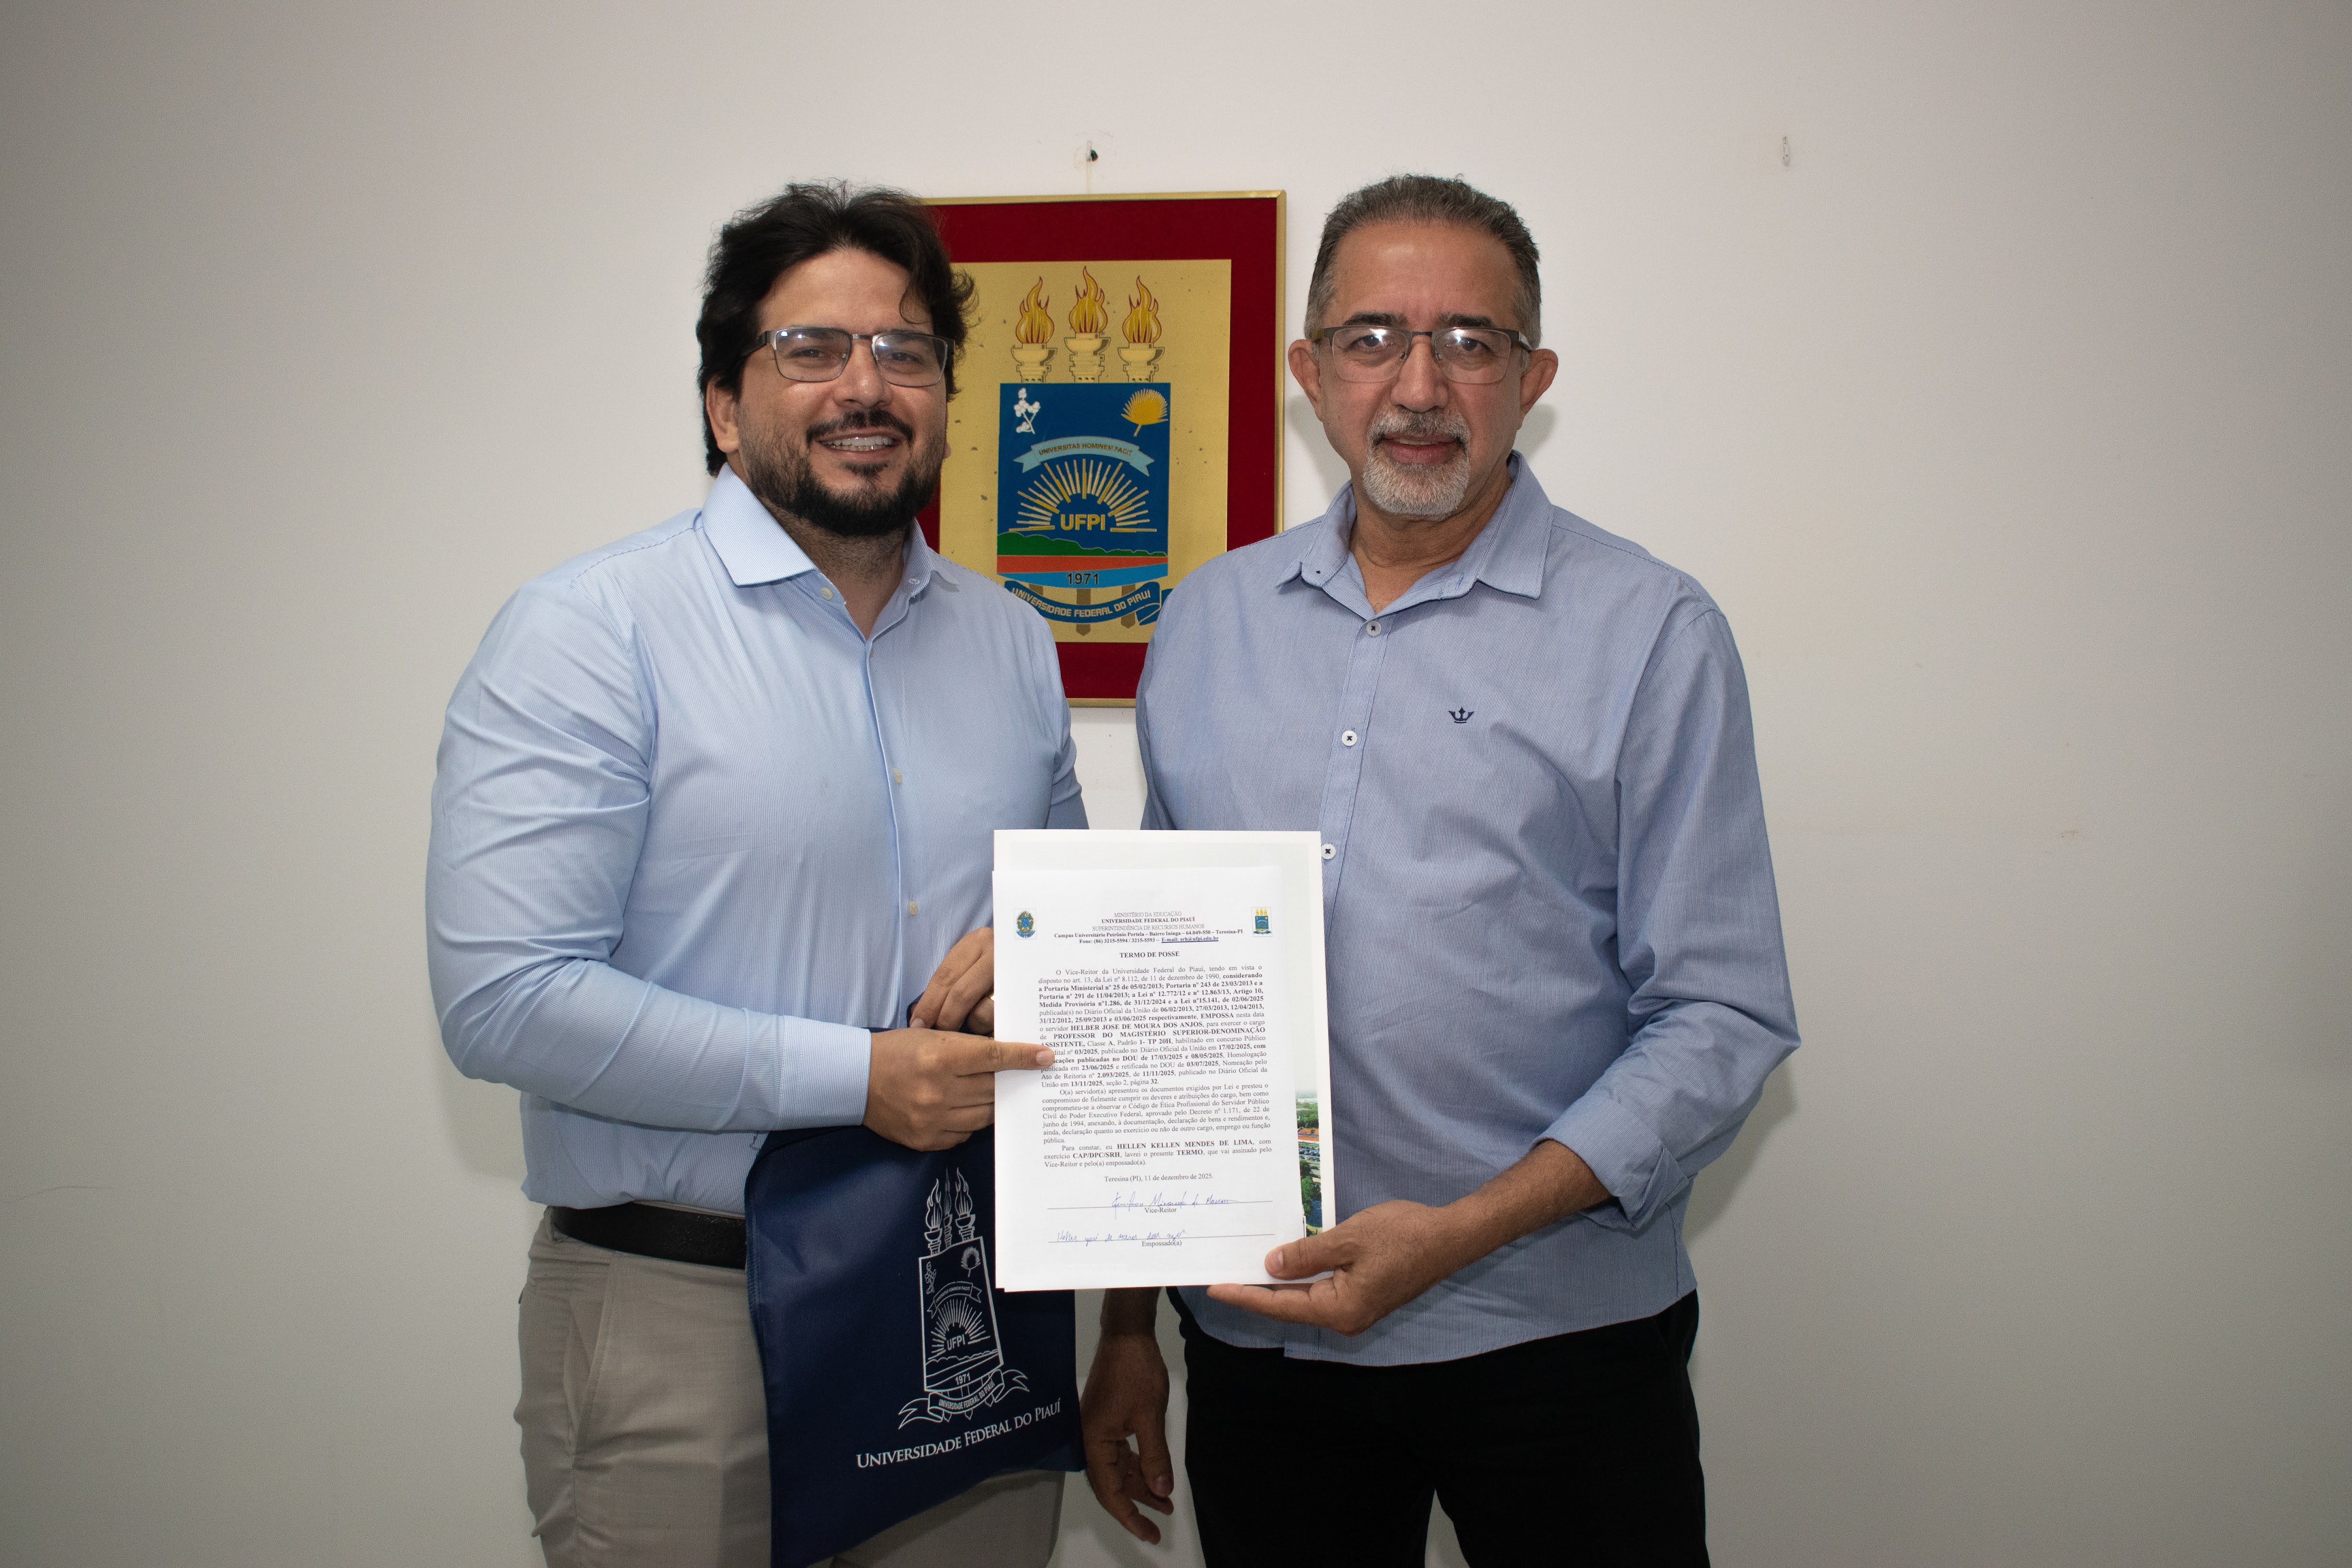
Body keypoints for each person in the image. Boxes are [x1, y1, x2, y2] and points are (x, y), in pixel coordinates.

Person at [1078, 175, 1800, 1566]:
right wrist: (1127, 1326)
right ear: (1309, 374)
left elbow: (1722, 1015)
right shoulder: (1209, 620)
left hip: (1558, 1345)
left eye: (1470, 341)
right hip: (1262, 1341)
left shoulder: (1651, 631)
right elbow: (1163, 1008)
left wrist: (1461, 1234)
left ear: (1533, 379)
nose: (1418, 386)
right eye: (1371, 339)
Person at [426, 182, 1078, 1568]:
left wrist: (1050, 960)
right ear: (725, 404)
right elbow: (505, 1001)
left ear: (946, 400)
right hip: (685, 1318)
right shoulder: (589, 632)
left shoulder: (1015, 643)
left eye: (906, 352)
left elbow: (1075, 934)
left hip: (964, 1303)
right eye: (811, 349)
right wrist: (859, 1077)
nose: (867, 386)